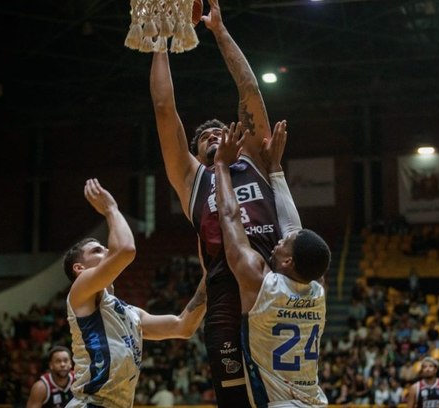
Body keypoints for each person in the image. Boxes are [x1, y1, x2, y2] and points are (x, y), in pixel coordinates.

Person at [150, 0, 299, 403]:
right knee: (234, 398)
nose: (214, 136)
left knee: (281, 396)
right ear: (197, 154)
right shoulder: (193, 179)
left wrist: (219, 31)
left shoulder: (255, 161)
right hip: (224, 294)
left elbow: (249, 89)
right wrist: (160, 42)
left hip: (274, 283)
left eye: (220, 131)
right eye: (205, 138)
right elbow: (165, 110)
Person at [213, 123, 330, 406]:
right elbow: (293, 227)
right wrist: (275, 168)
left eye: (283, 244)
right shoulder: (318, 291)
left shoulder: (260, 283)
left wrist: (221, 166)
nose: (278, 241)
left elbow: (229, 217)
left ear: (288, 260)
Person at [64, 178, 207, 407]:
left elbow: (183, 326)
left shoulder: (132, 314)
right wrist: (111, 210)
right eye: (97, 250)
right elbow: (125, 250)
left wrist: (210, 275)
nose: (107, 250)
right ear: (79, 269)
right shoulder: (80, 291)